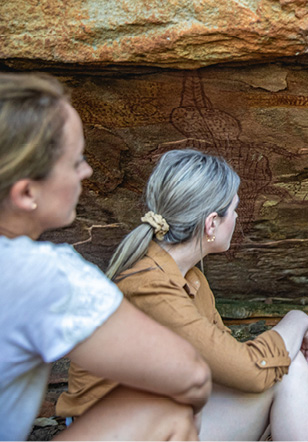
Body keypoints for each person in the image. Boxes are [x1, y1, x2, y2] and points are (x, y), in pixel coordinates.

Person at [58, 149, 308, 441]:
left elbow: (225, 366)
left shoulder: (191, 278)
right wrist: (297, 320)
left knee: (299, 361)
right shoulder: (148, 287)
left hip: (161, 417)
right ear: (211, 224)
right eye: (233, 209)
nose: (237, 216)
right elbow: (250, 371)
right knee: (288, 371)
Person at [0, 72, 212, 440]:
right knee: (166, 410)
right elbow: (191, 375)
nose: (88, 171)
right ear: (26, 193)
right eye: (75, 161)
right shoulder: (37, 273)